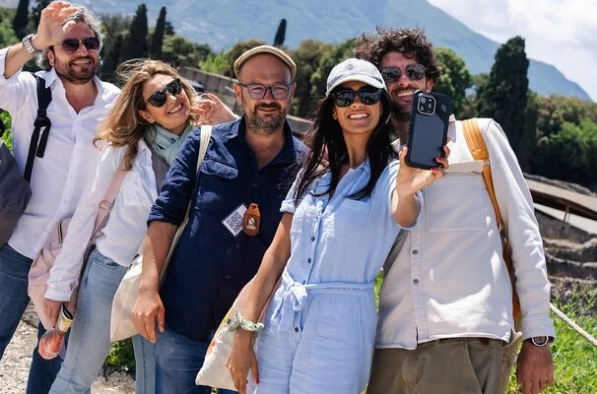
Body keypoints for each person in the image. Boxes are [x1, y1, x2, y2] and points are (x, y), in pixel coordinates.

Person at [226, 58, 449, 394]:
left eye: (368, 95)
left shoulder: (394, 174)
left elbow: (405, 213)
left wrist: (406, 190)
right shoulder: (313, 171)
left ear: (382, 106)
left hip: (340, 328)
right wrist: (245, 332)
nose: (356, 104)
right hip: (280, 319)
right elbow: (276, 255)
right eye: (345, 97)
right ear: (333, 110)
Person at [355, 27, 555, 394]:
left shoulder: (478, 137)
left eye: (414, 72)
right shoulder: (374, 161)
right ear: (379, 86)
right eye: (391, 74)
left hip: (467, 337)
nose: (404, 81)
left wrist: (538, 337)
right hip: (392, 344)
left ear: (429, 81)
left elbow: (525, 234)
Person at [40, 59, 237, 394]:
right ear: (145, 113)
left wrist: (229, 120)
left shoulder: (210, 146)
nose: (172, 99)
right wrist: (60, 285)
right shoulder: (127, 148)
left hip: (167, 280)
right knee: (76, 376)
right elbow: (86, 214)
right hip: (112, 271)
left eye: (174, 88)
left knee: (154, 386)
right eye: (158, 98)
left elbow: (253, 158)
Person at [0, 1, 121, 394]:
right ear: (51, 54)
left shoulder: (116, 104)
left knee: (53, 349)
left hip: (74, 255)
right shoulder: (32, 90)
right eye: (69, 44)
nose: (82, 51)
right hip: (20, 243)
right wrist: (33, 41)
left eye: (90, 42)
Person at [132, 45, 308, 394]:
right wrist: (148, 289)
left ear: (291, 93)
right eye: (256, 87)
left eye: (277, 87)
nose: (267, 98)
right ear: (239, 92)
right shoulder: (203, 143)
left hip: (252, 334)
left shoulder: (307, 168)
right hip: (183, 318)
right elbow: (165, 215)